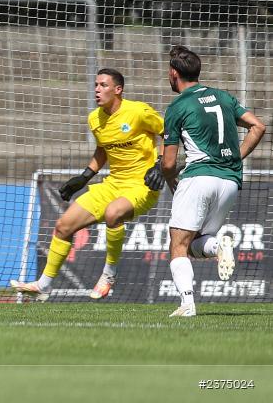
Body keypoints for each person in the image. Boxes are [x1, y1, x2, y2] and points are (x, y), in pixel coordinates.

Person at [11, 69, 165, 301]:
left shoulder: (138, 112)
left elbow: (169, 132)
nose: (97, 89)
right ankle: (43, 286)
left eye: (103, 85)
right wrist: (84, 176)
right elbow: (103, 149)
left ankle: (109, 274)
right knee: (63, 226)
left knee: (114, 213)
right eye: (95, 85)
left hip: (142, 185)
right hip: (112, 184)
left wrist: (161, 165)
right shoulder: (95, 118)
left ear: (118, 90)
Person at [161, 45, 265, 317]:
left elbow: (169, 163)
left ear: (174, 74)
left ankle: (187, 304)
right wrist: (235, 159)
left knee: (178, 244)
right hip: (229, 182)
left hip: (199, 178)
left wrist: (168, 178)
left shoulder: (177, 106)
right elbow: (258, 126)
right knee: (197, 243)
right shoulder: (223, 97)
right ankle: (219, 246)